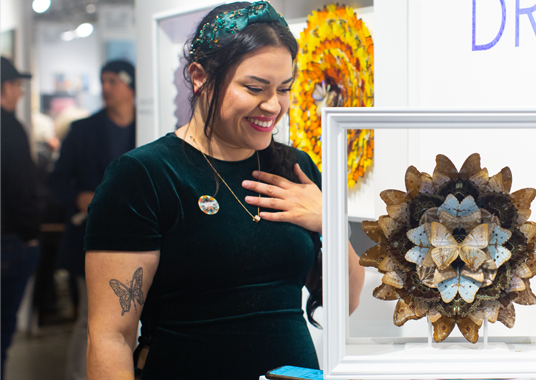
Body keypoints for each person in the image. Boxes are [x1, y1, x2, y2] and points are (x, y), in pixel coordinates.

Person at [84, 2, 365, 379]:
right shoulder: (143, 176)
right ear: (199, 77)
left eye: (284, 89)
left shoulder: (294, 168)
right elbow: (109, 337)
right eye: (254, 88)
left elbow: (344, 301)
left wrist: (328, 220)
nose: (273, 105)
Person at [46, 60, 137, 380]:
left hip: (141, 241)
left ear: (131, 86)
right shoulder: (83, 130)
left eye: (113, 80)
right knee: (91, 320)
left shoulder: (148, 127)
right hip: (91, 240)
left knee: (135, 321)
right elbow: (55, 182)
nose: (106, 88)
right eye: (103, 81)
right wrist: (78, 198)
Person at [0, 56, 41, 378]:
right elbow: (22, 189)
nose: (19, 94)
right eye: (16, 86)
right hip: (8, 242)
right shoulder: (10, 129)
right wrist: (31, 235)